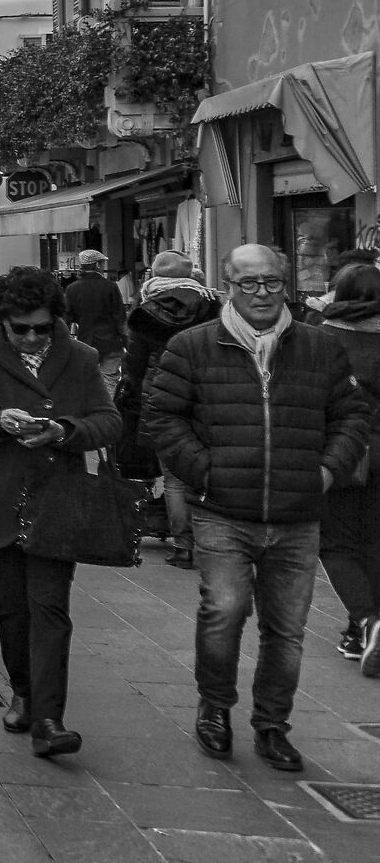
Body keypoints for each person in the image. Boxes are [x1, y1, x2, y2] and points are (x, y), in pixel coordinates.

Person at [144, 243, 371, 773]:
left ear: (285, 284)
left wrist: (326, 471)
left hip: (297, 512)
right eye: (249, 283)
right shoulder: (192, 346)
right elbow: (165, 418)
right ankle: (215, 709)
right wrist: (207, 471)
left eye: (271, 282)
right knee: (223, 613)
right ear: (229, 285)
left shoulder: (319, 346)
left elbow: (351, 417)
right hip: (223, 509)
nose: (262, 293)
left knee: (287, 629)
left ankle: (272, 725)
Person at [0, 265, 123, 759]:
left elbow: (108, 421)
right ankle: (22, 690)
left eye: (42, 327)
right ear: (1, 320)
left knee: (50, 607)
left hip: (58, 500)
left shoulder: (81, 358)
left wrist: (65, 430)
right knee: (12, 608)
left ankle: (49, 717)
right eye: (21, 328)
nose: (32, 337)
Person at [117, 252, 220, 569]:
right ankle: (210, 541)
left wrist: (130, 391)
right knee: (201, 469)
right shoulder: (213, 305)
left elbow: (133, 363)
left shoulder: (146, 310)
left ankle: (184, 546)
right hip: (205, 395)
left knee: (173, 477)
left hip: (159, 395)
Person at [316, 264, 380, 673]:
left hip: (344, 448)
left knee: (336, 543)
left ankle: (367, 619)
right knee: (374, 540)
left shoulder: (321, 337)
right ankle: (362, 633)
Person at [65, 249, 128, 394]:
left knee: (87, 380)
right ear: (98, 264)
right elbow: (120, 319)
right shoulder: (110, 287)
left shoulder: (72, 289)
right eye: (103, 263)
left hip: (85, 341)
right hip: (110, 342)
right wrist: (127, 344)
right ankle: (108, 407)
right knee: (109, 379)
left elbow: (67, 319)